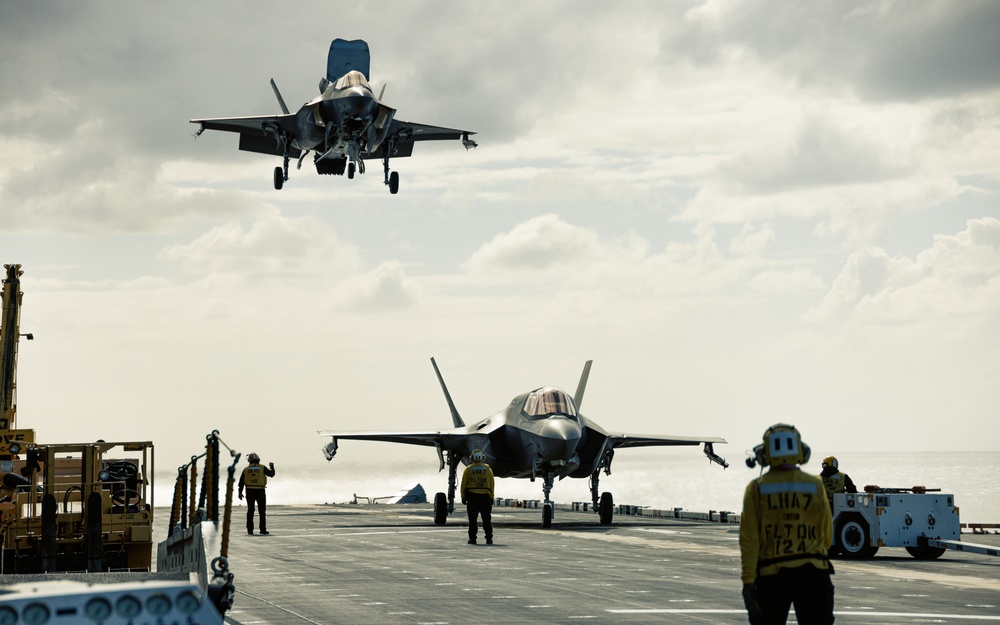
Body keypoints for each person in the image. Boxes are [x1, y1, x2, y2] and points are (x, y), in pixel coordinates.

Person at [740, 424, 834, 625]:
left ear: (764, 455)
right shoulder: (814, 485)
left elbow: (750, 541)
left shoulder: (756, 489)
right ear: (802, 452)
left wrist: (748, 583)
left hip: (772, 576)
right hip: (814, 574)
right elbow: (826, 536)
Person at [460, 449, 494, 545]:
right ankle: (489, 539)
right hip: (485, 497)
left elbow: (463, 484)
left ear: (472, 458)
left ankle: (473, 539)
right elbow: (492, 484)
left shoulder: (468, 469)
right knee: (487, 520)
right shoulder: (488, 469)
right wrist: (491, 496)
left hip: (472, 497)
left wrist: (463, 496)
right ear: (482, 458)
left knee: (472, 520)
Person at [238, 452, 275, 535]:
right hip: (260, 490)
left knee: (250, 510)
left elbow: (241, 482)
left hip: (249, 490)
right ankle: (262, 529)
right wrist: (272, 467)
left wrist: (240, 492)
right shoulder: (262, 467)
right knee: (262, 511)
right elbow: (271, 474)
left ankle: (250, 530)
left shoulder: (246, 469)